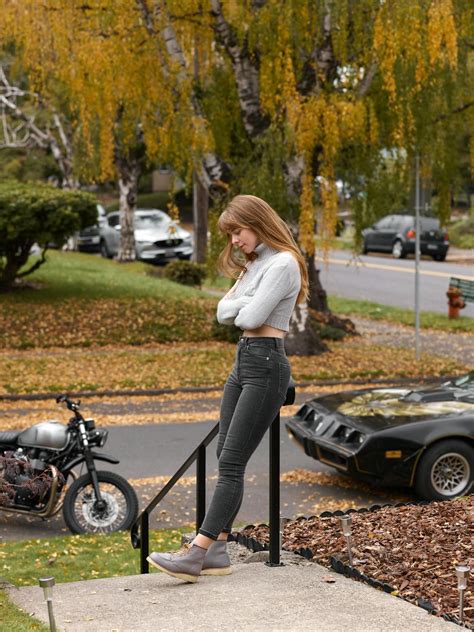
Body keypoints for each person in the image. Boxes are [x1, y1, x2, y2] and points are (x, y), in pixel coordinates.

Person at [148, 194, 309, 583]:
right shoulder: (255, 265)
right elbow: (223, 313)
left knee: (232, 462)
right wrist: (246, 302)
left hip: (268, 364)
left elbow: (249, 315)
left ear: (257, 222)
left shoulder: (284, 263)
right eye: (231, 234)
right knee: (224, 454)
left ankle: (196, 553)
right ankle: (218, 548)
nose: (234, 241)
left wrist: (245, 303)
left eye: (237, 232)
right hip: (243, 361)